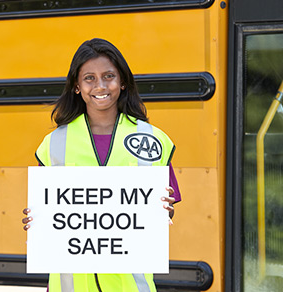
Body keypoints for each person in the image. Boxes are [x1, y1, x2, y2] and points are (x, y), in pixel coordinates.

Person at [22, 38, 181, 292]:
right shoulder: (53, 144)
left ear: (123, 82)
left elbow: (166, 213)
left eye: (109, 76)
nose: (100, 86)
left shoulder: (152, 140)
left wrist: (165, 210)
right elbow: (49, 215)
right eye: (89, 78)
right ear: (76, 86)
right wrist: (36, 221)